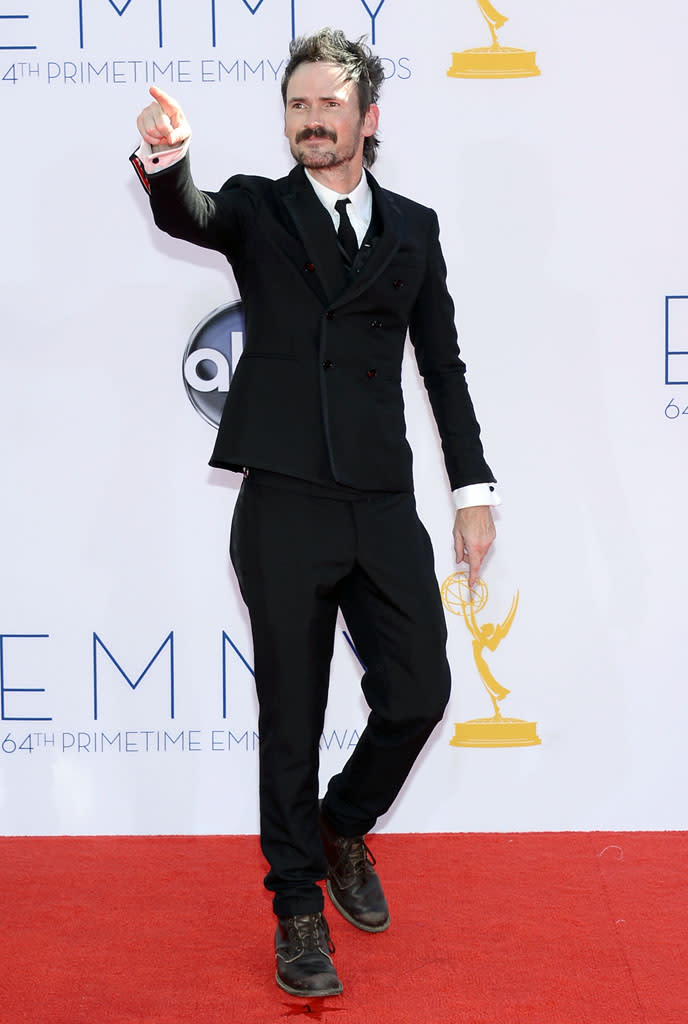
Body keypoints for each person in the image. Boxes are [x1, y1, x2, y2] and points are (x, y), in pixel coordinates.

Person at [131, 28, 499, 998]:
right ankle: (297, 905)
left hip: (380, 502)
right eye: (298, 105)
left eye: (328, 104)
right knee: (289, 718)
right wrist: (168, 164)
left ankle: (343, 824)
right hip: (285, 500)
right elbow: (191, 213)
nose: (311, 120)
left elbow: (443, 367)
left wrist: (472, 490)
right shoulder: (258, 208)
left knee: (419, 688)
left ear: (366, 117)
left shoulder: (413, 228)